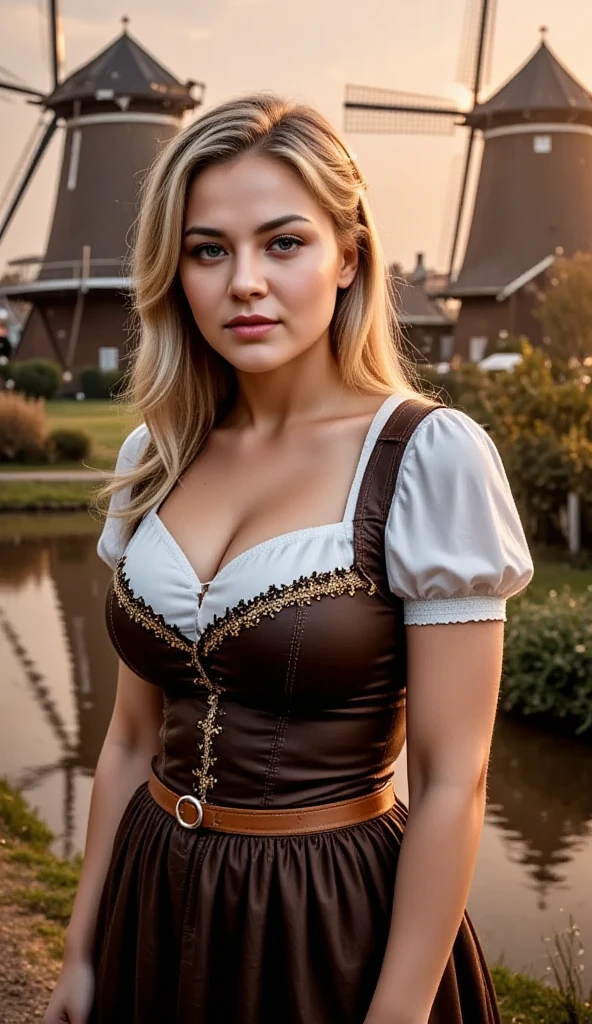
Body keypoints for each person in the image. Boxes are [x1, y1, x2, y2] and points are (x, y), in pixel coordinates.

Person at [44, 93, 533, 1024]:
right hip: (151, 893)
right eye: (208, 249)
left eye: (284, 243)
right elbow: (128, 739)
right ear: (174, 270)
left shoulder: (427, 459)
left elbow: (449, 780)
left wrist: (396, 1015)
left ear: (348, 256)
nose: (245, 284)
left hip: (325, 918)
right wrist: (80, 945)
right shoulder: (157, 454)